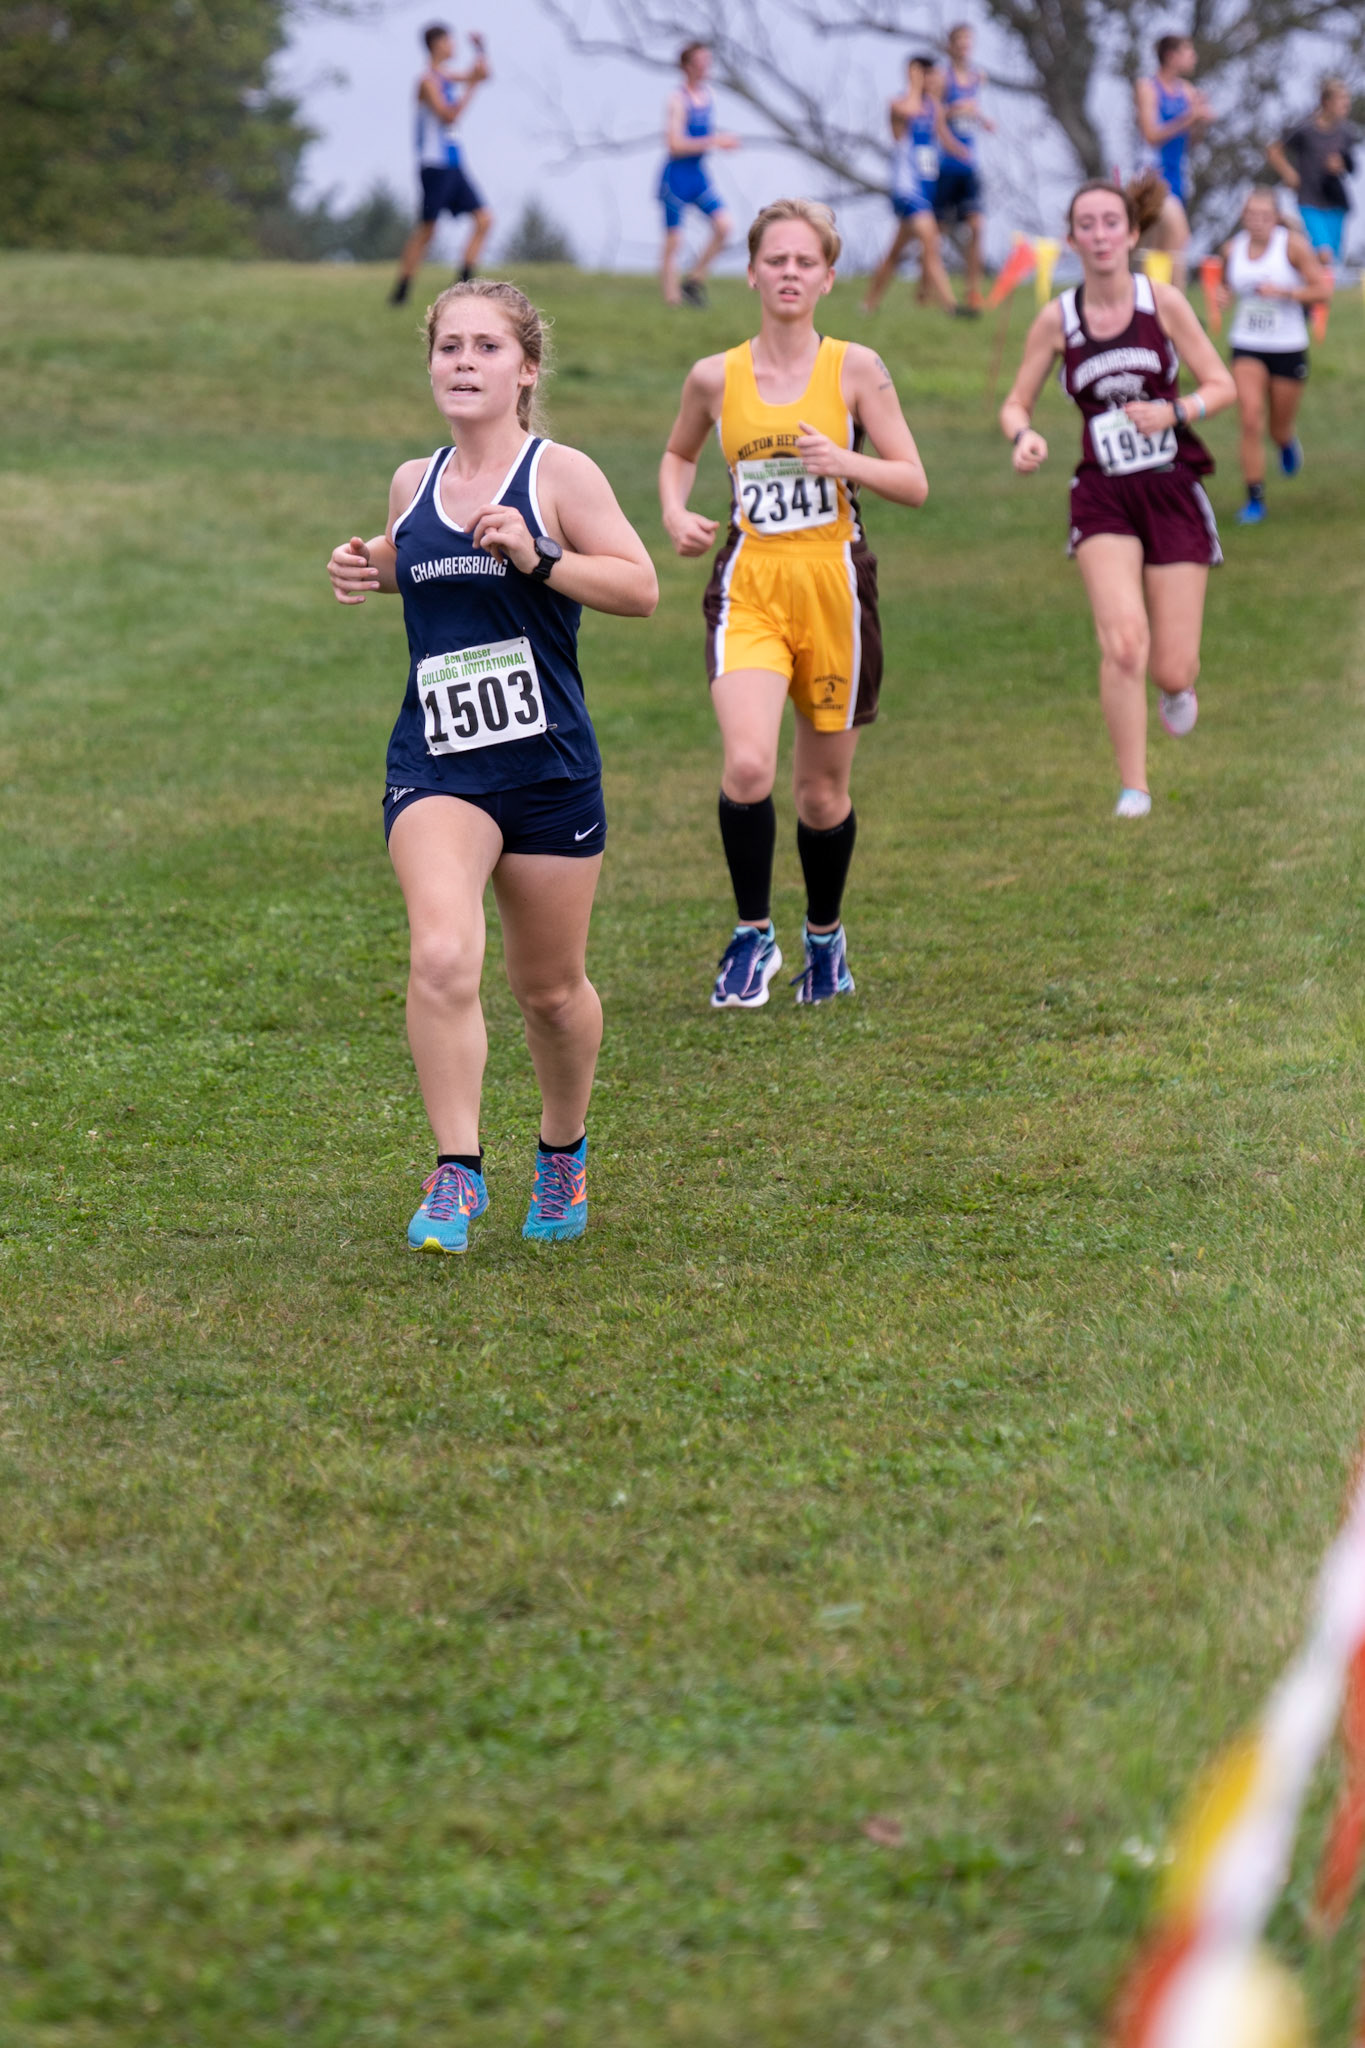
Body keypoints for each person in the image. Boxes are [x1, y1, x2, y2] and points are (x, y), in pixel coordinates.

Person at [326, 281, 657, 1252]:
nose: (463, 361)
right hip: (437, 764)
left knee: (548, 990)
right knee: (440, 952)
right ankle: (457, 1171)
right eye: (449, 346)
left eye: (486, 346)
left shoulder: (560, 474)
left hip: (548, 768)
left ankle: (562, 1151)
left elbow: (638, 586)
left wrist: (539, 554)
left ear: (526, 370)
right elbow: (420, 558)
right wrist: (367, 565)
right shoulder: (413, 481)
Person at [659, 199, 928, 1008]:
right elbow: (677, 454)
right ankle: (752, 936)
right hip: (749, 584)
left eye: (803, 262)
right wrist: (674, 512)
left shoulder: (855, 368)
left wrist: (845, 460)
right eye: (774, 259)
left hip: (834, 587)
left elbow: (912, 481)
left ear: (827, 278)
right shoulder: (715, 376)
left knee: (819, 794)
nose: (787, 273)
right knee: (747, 765)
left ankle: (823, 939)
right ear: (750, 272)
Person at [1000, 179, 1235, 820]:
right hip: (1101, 494)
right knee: (1124, 644)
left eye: (1111, 222)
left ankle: (1176, 688)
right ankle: (1135, 787)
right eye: (1087, 224)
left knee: (1172, 668)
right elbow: (1016, 402)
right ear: (1071, 238)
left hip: (1172, 488)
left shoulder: (1162, 302)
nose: (1100, 235)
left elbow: (1222, 384)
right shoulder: (1058, 319)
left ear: (1132, 234)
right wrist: (1023, 436)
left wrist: (1175, 411)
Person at [1221, 188, 1330, 526]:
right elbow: (1227, 286)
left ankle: (1285, 442)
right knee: (1250, 417)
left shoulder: (1292, 246)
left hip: (1288, 346)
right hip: (1247, 343)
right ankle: (1255, 499)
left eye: (1265, 216)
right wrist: (1223, 296)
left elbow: (1323, 290)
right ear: (1243, 216)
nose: (1257, 221)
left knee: (1277, 428)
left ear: (1276, 218)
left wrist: (1285, 292)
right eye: (1251, 215)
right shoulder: (1232, 249)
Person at [389, 23, 493, 308]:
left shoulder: (446, 76)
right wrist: (471, 87)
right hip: (434, 166)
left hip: (454, 163)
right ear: (436, 44)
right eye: (449, 41)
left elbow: (483, 74)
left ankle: (464, 285)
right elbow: (449, 115)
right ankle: (401, 291)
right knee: (427, 230)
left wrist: (480, 49)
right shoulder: (427, 82)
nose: (453, 46)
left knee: (484, 220)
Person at [862, 54, 961, 317]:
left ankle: (869, 304)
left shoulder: (934, 107)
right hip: (906, 188)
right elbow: (910, 111)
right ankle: (952, 306)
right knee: (931, 241)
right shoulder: (899, 103)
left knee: (895, 253)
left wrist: (962, 153)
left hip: (927, 188)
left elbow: (944, 136)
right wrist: (915, 86)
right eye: (925, 74)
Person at [658, 42, 739, 307]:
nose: (706, 67)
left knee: (724, 226)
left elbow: (703, 135)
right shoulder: (677, 100)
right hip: (676, 177)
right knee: (674, 241)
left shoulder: (709, 96)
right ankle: (672, 300)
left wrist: (721, 140)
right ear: (687, 67)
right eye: (700, 62)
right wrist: (715, 141)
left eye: (708, 61)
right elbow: (674, 144)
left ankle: (693, 281)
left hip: (698, 175)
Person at [1135, 34, 1214, 290]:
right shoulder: (1147, 87)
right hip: (1152, 175)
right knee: (1181, 237)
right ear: (1171, 56)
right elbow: (1151, 135)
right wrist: (1189, 118)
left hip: (1179, 176)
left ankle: (1152, 303)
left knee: (1160, 247)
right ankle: (1177, 304)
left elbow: (1193, 142)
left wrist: (1200, 121)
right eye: (1189, 52)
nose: (1194, 58)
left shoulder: (1187, 91)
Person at [933, 23, 993, 312]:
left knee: (977, 227)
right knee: (935, 233)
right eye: (960, 42)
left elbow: (971, 110)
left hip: (969, 166)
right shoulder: (942, 78)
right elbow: (934, 115)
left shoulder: (976, 77)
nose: (965, 47)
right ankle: (927, 288)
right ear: (951, 45)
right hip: (946, 166)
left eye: (969, 42)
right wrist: (951, 141)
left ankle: (973, 290)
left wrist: (983, 120)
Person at [1266, 77, 1358, 265]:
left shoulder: (1346, 132)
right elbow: (1274, 150)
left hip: (1334, 200)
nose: (1346, 105)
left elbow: (1352, 168)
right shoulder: (1306, 130)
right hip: (1309, 199)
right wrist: (1289, 174)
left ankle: (1323, 281)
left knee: (1333, 257)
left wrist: (1341, 165)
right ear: (1326, 102)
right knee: (1323, 252)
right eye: (1341, 100)